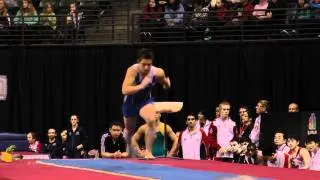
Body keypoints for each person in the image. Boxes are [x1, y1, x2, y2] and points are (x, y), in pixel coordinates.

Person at [122, 48, 171, 159]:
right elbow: (124, 90)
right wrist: (142, 86)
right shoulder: (132, 71)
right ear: (138, 61)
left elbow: (164, 83)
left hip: (146, 101)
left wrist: (167, 84)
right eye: (143, 64)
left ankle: (148, 152)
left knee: (151, 120)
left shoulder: (158, 72)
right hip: (131, 102)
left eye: (149, 64)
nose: (146, 67)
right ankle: (129, 149)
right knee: (129, 131)